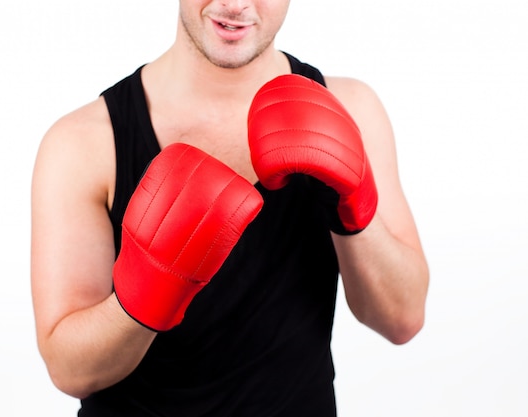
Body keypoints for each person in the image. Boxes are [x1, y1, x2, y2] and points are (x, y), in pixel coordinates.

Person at [31, 1, 429, 415]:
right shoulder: (83, 143)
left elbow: (402, 319)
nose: (236, 4)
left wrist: (354, 208)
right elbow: (69, 370)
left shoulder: (350, 108)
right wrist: (143, 295)